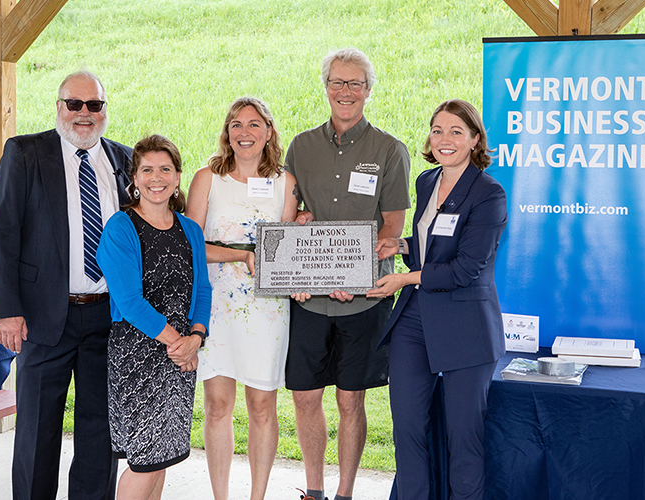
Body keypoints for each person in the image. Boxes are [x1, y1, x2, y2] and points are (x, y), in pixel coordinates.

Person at [0, 70, 132, 499]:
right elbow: (0, 233)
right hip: (42, 317)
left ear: (105, 109)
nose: (84, 114)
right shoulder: (25, 153)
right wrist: (6, 309)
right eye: (75, 104)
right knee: (36, 431)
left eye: (95, 105)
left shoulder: (122, 160)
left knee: (99, 434)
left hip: (107, 317)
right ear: (59, 107)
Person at [284, 48, 411, 500]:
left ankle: (344, 493)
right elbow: (289, 216)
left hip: (366, 299)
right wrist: (301, 242)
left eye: (355, 84)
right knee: (304, 396)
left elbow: (392, 228)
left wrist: (352, 275)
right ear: (326, 87)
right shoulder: (300, 147)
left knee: (350, 399)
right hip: (308, 300)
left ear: (368, 91)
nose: (345, 92)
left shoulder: (390, 150)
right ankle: (313, 491)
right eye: (337, 82)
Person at [366, 99, 508, 500]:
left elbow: (465, 269)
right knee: (407, 431)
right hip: (414, 322)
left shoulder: (489, 194)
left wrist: (403, 278)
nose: (445, 140)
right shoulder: (427, 182)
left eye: (456, 132)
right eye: (438, 130)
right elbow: (434, 246)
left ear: (475, 139)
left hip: (466, 326)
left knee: (464, 438)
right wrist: (402, 243)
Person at [185, 97, 299, 500]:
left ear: (268, 131)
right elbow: (190, 243)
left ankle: (257, 496)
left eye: (254, 124)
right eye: (236, 124)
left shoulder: (286, 183)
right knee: (217, 404)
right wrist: (240, 254)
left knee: (262, 405)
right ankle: (220, 496)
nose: (245, 132)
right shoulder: (207, 178)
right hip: (216, 303)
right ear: (227, 133)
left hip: (266, 308)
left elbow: (287, 249)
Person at [95, 134, 212, 500]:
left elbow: (203, 290)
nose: (156, 177)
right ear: (134, 177)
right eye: (147, 169)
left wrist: (196, 338)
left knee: (162, 457)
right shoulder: (120, 227)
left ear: (178, 177)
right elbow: (129, 302)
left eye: (165, 169)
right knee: (145, 460)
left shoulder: (190, 229)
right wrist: (181, 345)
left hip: (179, 360)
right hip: (138, 359)